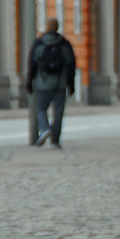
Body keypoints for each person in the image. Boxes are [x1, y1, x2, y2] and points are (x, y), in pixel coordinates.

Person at [25, 18, 76, 148]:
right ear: (57, 27)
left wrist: (29, 82)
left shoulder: (39, 43)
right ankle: (55, 141)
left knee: (41, 109)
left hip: (43, 83)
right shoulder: (64, 43)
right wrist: (71, 84)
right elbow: (71, 65)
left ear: (47, 27)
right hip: (60, 84)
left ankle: (45, 128)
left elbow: (32, 64)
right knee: (58, 112)